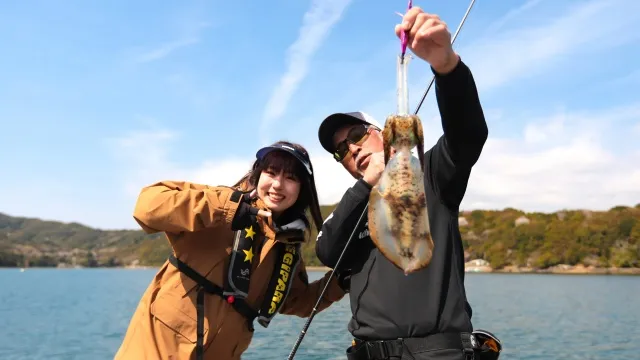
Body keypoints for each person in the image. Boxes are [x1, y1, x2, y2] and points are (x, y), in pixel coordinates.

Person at [315, 7, 501, 360]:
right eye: (340, 151)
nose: (351, 149)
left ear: (381, 134)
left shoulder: (432, 174)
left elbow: (468, 134)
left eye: (356, 135)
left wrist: (446, 66)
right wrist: (364, 188)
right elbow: (326, 251)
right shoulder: (352, 207)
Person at [114, 141, 347, 360]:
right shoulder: (219, 205)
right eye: (271, 172)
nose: (277, 184)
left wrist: (343, 279)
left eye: (290, 177)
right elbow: (148, 205)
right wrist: (224, 208)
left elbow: (299, 300)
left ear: (301, 190)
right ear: (258, 175)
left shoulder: (287, 249)